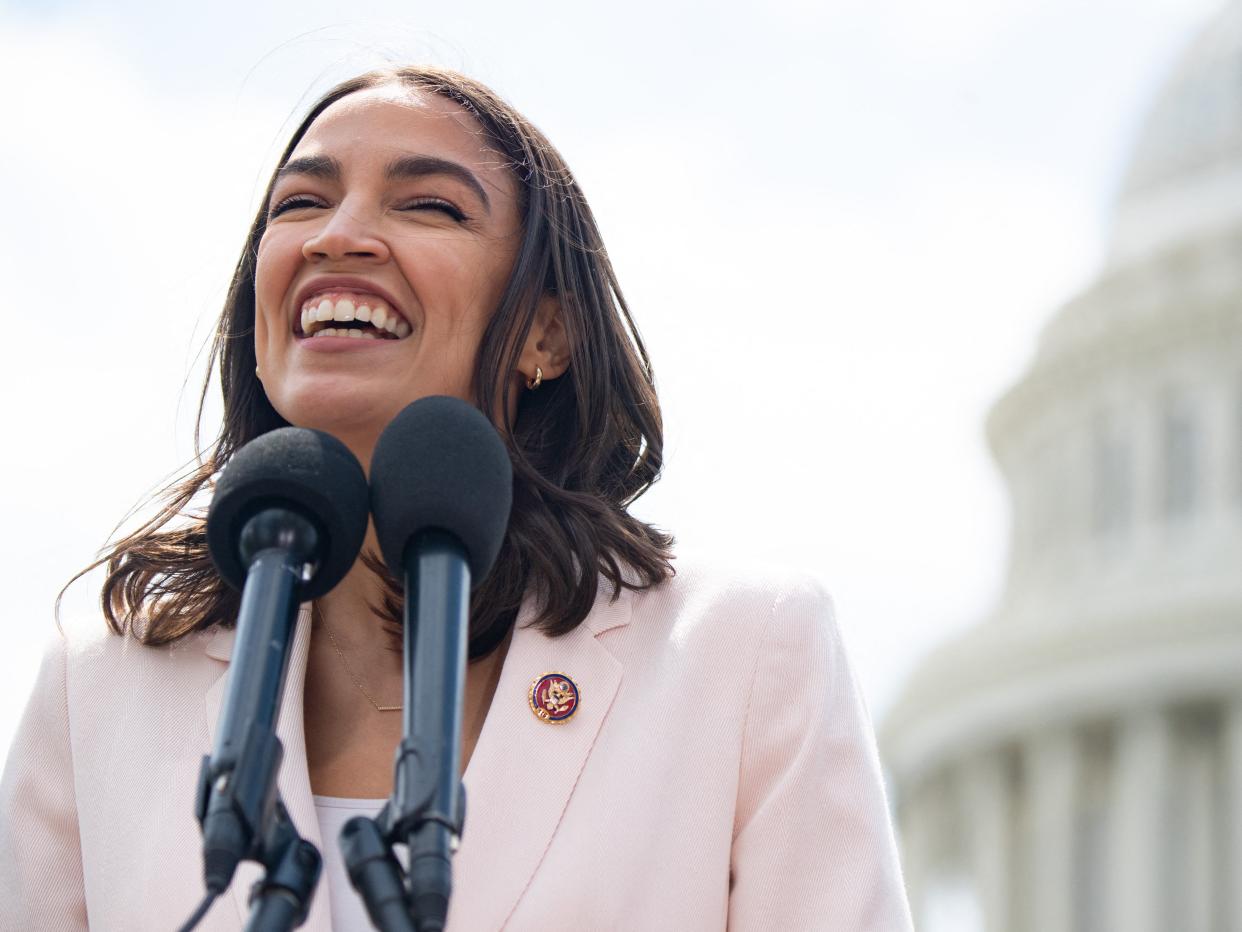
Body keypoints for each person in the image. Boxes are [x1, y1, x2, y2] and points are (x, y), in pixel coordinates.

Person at [0, 66, 913, 930]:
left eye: (428, 204)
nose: (336, 236)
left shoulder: (744, 654)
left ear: (546, 336)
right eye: (300, 204)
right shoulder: (97, 687)